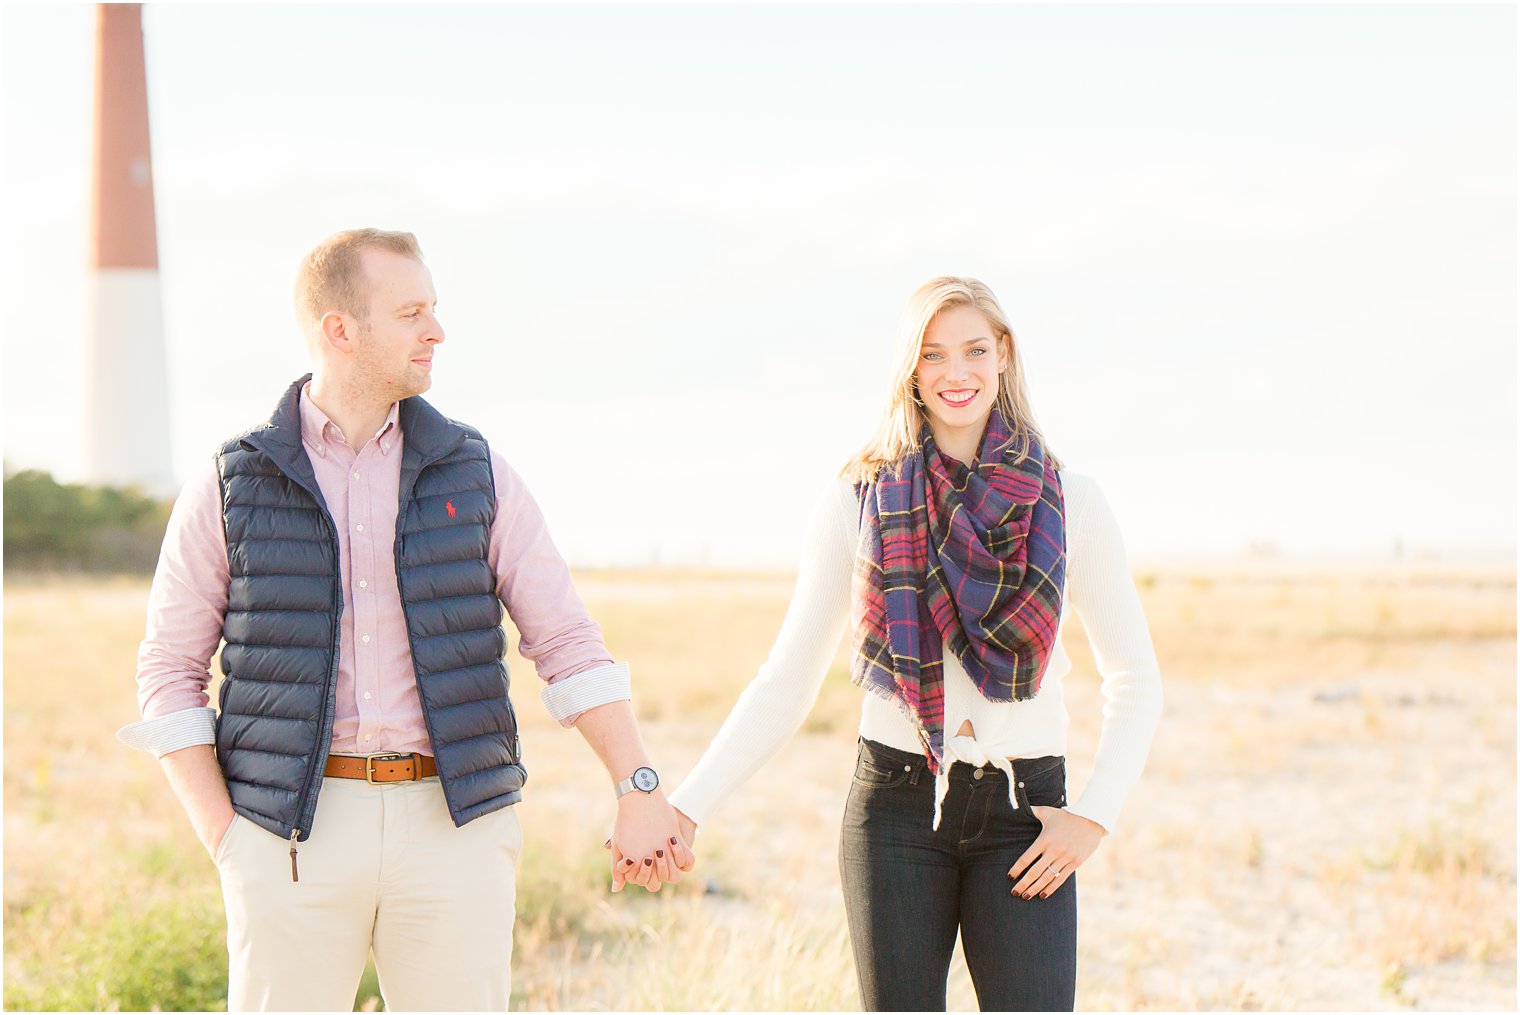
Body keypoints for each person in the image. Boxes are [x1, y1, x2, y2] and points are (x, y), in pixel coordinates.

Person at [116, 228, 693, 1012]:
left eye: (434, 309)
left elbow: (566, 642)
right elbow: (168, 671)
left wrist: (638, 784)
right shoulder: (231, 480)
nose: (437, 331)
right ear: (340, 330)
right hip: (286, 835)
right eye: (412, 312)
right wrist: (227, 837)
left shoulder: (475, 467)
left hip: (453, 827)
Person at [665, 277, 1163, 1011]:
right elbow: (787, 680)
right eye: (933, 355)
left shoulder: (1069, 499)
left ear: (1003, 356)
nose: (955, 373)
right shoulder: (859, 499)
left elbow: (1135, 675)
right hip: (894, 813)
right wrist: (687, 805)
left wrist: (1095, 813)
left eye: (972, 350)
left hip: (1024, 815)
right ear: (910, 369)